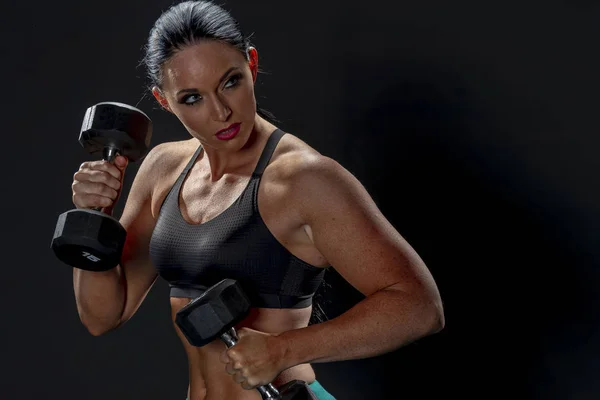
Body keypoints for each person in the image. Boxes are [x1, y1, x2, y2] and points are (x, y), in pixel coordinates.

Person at [70, 1, 445, 399]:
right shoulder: (163, 169)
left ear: (251, 64)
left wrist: (283, 349)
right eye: (192, 98)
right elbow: (103, 315)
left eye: (230, 82)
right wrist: (96, 213)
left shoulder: (305, 179)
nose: (221, 113)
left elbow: (419, 307)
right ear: (164, 100)